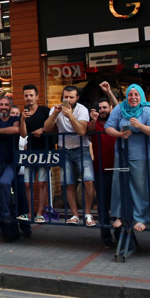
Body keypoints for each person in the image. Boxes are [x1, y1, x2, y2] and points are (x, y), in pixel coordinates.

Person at [105, 84, 150, 233]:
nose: (133, 97)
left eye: (136, 94)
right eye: (130, 94)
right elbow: (108, 126)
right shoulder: (120, 108)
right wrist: (119, 134)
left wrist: (140, 126)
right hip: (122, 153)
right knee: (119, 184)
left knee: (141, 187)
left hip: (143, 155)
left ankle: (141, 218)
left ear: (141, 96)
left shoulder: (148, 109)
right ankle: (119, 215)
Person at [44, 85, 96, 226]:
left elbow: (81, 131)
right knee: (68, 183)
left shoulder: (82, 110)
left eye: (71, 97)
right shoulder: (56, 109)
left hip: (82, 148)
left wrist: (71, 116)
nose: (68, 99)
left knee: (88, 181)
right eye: (65, 97)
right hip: (64, 149)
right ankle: (74, 214)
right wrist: (55, 114)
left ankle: (88, 213)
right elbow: (47, 128)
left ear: (77, 98)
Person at [0, 85, 30, 241]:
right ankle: (7, 230)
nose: (3, 106)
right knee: (0, 196)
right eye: (1, 104)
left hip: (12, 163)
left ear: (10, 107)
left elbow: (16, 130)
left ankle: (13, 221)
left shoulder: (15, 119)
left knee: (10, 188)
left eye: (6, 104)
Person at [19, 84, 52, 223]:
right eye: (26, 95)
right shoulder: (24, 112)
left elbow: (52, 125)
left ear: (37, 97)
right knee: (27, 183)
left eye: (31, 95)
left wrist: (42, 130)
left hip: (45, 150)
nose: (29, 98)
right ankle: (29, 212)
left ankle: (39, 213)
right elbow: (23, 133)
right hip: (30, 151)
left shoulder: (45, 110)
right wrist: (22, 119)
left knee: (42, 182)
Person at [90, 96, 117, 248]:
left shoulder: (116, 122)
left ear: (110, 109)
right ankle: (106, 238)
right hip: (101, 170)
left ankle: (121, 235)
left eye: (104, 107)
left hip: (117, 169)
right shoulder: (94, 124)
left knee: (119, 205)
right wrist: (93, 119)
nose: (102, 110)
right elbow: (89, 130)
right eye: (99, 108)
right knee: (103, 206)